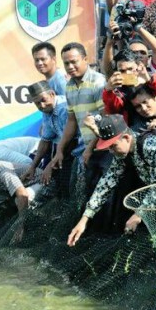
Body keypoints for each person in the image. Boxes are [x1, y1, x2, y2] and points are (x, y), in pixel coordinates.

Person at [66, 114, 156, 243]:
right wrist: (85, 218)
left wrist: (139, 214)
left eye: (113, 146)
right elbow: (107, 182)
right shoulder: (122, 153)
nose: (111, 151)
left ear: (127, 138)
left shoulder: (152, 146)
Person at [51, 42, 108, 196]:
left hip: (105, 147)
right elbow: (72, 121)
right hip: (88, 149)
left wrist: (90, 148)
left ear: (85, 59)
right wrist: (59, 151)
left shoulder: (98, 82)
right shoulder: (69, 86)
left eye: (73, 61)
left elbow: (106, 120)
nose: (70, 66)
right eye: (66, 63)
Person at [25, 81, 81, 196]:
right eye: (37, 104)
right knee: (59, 187)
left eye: (43, 100)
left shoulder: (63, 108)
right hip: (66, 151)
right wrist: (33, 167)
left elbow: (71, 140)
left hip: (80, 149)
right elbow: (45, 140)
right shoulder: (46, 111)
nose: (42, 106)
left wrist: (50, 165)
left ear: (52, 94)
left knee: (69, 188)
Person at [101, 49, 156, 121]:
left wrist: (148, 79)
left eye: (130, 69)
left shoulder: (150, 79)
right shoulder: (118, 91)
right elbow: (114, 109)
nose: (127, 73)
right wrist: (108, 90)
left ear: (139, 66)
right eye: (122, 71)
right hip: (136, 128)